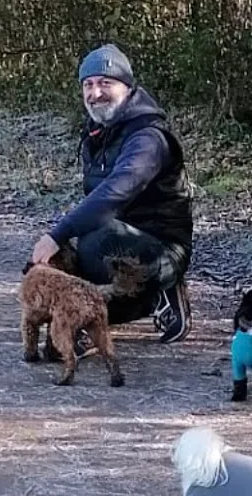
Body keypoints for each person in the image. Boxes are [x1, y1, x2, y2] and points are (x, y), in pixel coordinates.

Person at [30, 43, 192, 347]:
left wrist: (58, 232)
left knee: (95, 240)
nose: (96, 93)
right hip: (120, 238)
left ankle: (160, 290)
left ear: (127, 87)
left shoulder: (148, 138)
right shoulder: (98, 133)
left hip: (163, 249)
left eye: (106, 83)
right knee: (60, 260)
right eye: (88, 85)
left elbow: (116, 190)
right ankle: (87, 318)